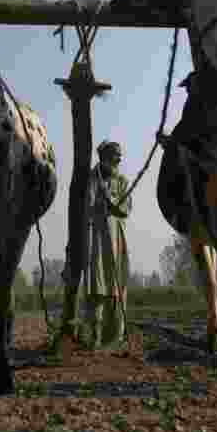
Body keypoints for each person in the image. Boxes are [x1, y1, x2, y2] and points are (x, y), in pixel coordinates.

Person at [85, 140, 133, 348]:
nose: (120, 158)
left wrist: (109, 198)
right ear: (106, 156)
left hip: (117, 236)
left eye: (120, 155)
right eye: (116, 154)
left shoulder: (122, 181)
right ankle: (95, 334)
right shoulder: (92, 178)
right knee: (97, 282)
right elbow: (87, 205)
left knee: (117, 283)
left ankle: (116, 335)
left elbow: (125, 208)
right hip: (97, 235)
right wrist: (98, 196)